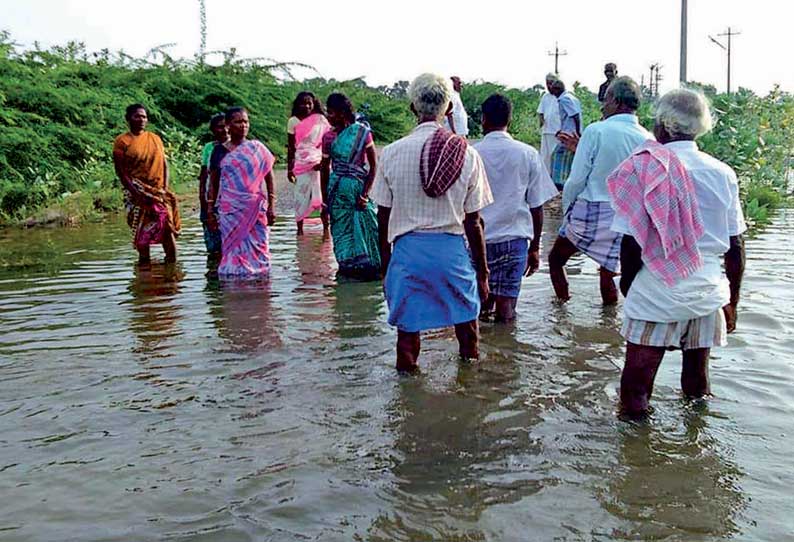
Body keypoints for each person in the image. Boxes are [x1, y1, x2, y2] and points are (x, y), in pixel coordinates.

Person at [607, 88, 746, 418]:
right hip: (707, 291)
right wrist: (732, 302)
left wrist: (629, 286)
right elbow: (736, 247)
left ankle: (637, 461)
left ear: (663, 127)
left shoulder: (643, 168)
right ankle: (696, 446)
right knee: (697, 386)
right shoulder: (723, 173)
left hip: (656, 288)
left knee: (635, 392)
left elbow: (632, 243)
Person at [371, 73, 493, 372]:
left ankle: (407, 406)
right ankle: (470, 395)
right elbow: (474, 222)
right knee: (468, 333)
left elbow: (383, 218)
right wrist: (483, 273)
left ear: (413, 109)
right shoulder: (467, 153)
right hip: (451, 253)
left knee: (407, 338)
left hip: (407, 254)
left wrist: (387, 268)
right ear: (449, 109)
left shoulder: (391, 152)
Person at [548, 77, 652, 305]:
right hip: (626, 216)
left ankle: (561, 311)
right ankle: (610, 329)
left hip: (590, 211)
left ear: (614, 101)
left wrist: (567, 211)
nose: (602, 106)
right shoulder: (648, 138)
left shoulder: (596, 130)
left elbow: (576, 180)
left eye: (605, 101)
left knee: (555, 260)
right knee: (608, 273)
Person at [474, 93, 558, 322]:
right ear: (509, 120)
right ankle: (508, 353)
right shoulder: (527, 153)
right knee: (507, 309)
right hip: (514, 241)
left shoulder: (473, 154)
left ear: (483, 119)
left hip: (479, 241)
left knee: (478, 307)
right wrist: (535, 247)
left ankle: (483, 354)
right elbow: (536, 205)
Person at [206, 107, 276, 277]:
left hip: (255, 208)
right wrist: (209, 211)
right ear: (228, 125)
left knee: (259, 248)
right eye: (238, 122)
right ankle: (235, 285)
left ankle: (260, 285)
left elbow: (269, 177)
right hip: (231, 211)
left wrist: (272, 205)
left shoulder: (257, 149)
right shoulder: (219, 151)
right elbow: (213, 183)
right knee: (232, 249)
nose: (243, 125)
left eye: (246, 121)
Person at [320, 93, 381, 279]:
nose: (328, 116)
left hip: (357, 190)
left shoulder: (362, 132)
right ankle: (347, 266)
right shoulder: (328, 138)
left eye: (330, 112)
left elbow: (373, 165)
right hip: (337, 193)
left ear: (341, 113)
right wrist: (324, 201)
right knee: (341, 229)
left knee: (366, 225)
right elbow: (324, 169)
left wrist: (365, 194)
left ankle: (371, 266)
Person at [113, 104, 181, 264]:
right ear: (128, 119)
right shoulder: (122, 142)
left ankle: (172, 273)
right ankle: (145, 276)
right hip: (136, 193)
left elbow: (164, 164)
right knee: (142, 234)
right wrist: (137, 195)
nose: (142, 120)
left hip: (158, 193)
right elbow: (121, 172)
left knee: (167, 230)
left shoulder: (155, 138)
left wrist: (164, 187)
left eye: (144, 116)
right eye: (137, 116)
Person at [287, 91, 331, 236]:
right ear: (297, 105)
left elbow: (327, 141)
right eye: (303, 103)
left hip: (319, 161)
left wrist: (323, 162)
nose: (306, 106)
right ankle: (299, 230)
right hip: (301, 163)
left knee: (323, 196)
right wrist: (289, 168)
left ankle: (326, 229)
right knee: (300, 196)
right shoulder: (293, 121)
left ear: (314, 104)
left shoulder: (320, 120)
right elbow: (291, 147)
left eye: (309, 103)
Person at [198, 114, 228, 257]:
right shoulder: (209, 148)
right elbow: (204, 176)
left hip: (231, 199)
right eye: (220, 127)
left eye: (227, 125)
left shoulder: (240, 147)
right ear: (213, 130)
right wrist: (203, 201)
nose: (225, 130)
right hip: (213, 197)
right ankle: (214, 275)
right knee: (214, 245)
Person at [549, 79, 582, 189]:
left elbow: (575, 115)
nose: (551, 92)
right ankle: (565, 180)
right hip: (569, 131)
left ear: (557, 89)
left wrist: (577, 132)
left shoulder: (565, 99)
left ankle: (559, 182)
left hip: (569, 134)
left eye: (553, 90)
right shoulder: (570, 97)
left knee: (558, 155)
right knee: (568, 157)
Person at [536, 73, 561, 174]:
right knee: (545, 157)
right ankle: (545, 180)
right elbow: (540, 112)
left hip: (557, 131)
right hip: (546, 130)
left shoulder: (561, 96)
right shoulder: (545, 97)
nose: (549, 86)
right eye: (547, 83)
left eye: (551, 83)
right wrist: (541, 123)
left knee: (554, 156)